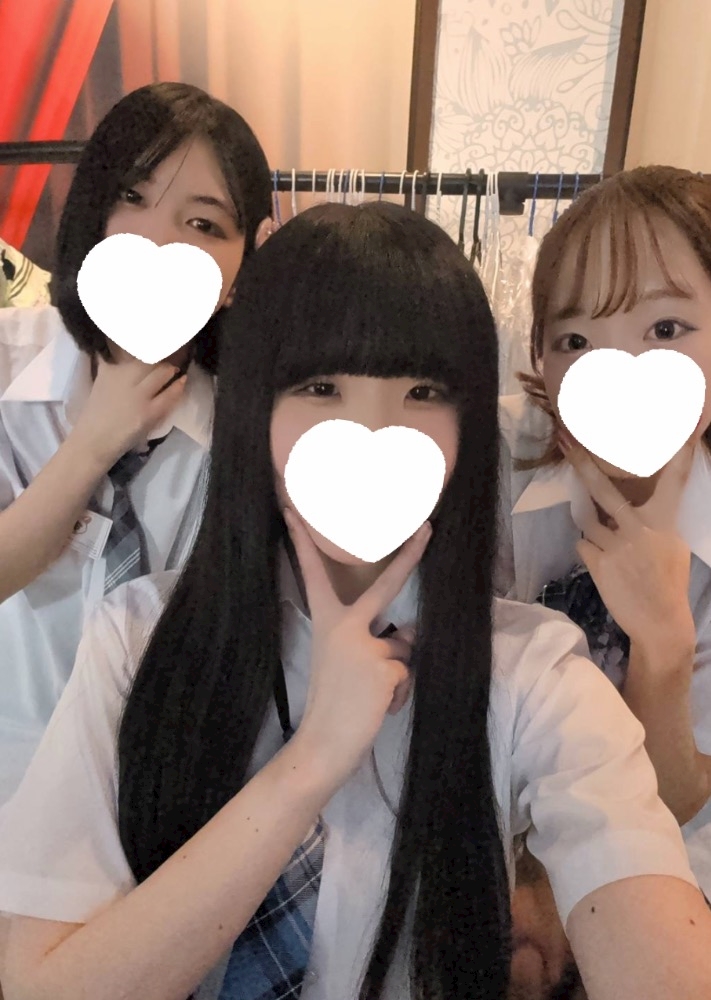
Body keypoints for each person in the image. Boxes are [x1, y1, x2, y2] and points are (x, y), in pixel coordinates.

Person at [1, 202, 710, 1000]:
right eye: (320, 386)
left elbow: (635, 888)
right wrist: (313, 759)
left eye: (423, 391)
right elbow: (40, 984)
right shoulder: (136, 637)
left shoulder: (532, 673)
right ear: (253, 407)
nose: (372, 430)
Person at [0, 81, 273, 810]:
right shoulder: (8, 364)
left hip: (158, 809)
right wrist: (93, 442)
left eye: (204, 223)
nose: (157, 240)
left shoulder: (248, 430)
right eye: (133, 198)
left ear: (241, 268)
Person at [496, 165, 711, 997]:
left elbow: (677, 801)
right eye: (576, 342)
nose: (620, 368)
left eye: (665, 327)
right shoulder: (500, 468)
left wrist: (661, 640)